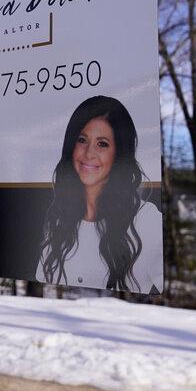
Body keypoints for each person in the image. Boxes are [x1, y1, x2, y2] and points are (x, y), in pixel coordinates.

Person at [39, 95, 162, 292]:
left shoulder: (146, 220)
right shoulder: (58, 218)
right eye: (82, 140)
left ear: (119, 153)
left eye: (102, 143)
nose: (89, 153)